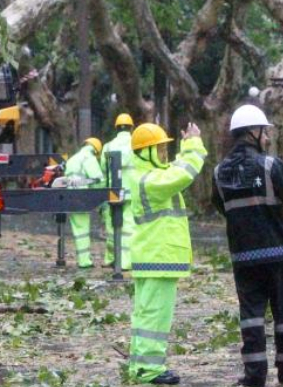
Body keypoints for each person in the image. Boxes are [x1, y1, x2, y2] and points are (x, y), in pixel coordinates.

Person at [212, 105, 283, 387]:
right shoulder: (270, 165)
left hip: (243, 256)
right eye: (264, 131)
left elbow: (223, 207)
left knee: (251, 317)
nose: (267, 137)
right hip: (277, 253)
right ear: (253, 132)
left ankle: (254, 376)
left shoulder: (219, 173)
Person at [128, 121, 207, 385]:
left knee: (146, 314)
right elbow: (183, 174)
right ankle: (149, 370)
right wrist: (194, 145)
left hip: (153, 257)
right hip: (157, 258)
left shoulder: (148, 175)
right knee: (155, 317)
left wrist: (184, 148)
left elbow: (174, 170)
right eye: (159, 148)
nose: (164, 153)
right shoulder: (150, 180)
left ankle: (140, 366)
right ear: (146, 151)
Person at [101, 113, 137, 270]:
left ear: (116, 128)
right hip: (132, 190)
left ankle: (111, 259)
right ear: (131, 127)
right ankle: (126, 262)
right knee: (129, 226)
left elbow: (103, 169)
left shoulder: (108, 146)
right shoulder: (136, 144)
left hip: (113, 190)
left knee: (112, 226)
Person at [64, 137, 106, 268]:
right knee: (83, 230)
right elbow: (98, 180)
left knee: (78, 230)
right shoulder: (89, 158)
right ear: (96, 151)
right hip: (81, 197)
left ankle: (82, 259)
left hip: (69, 196)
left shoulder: (73, 158)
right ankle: (84, 262)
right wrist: (101, 200)